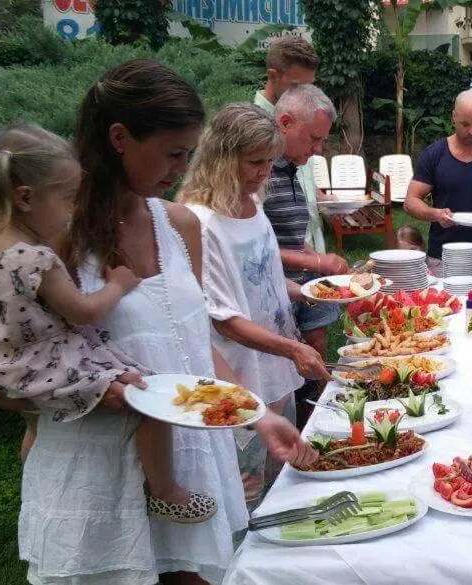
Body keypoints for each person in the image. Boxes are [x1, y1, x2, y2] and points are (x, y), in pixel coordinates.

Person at [0, 59, 317, 585]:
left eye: (188, 153)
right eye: (173, 153)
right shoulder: (44, 241)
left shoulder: (179, 225)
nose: (182, 169)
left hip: (186, 469)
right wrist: (89, 396)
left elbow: (186, 348)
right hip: (97, 476)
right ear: (119, 137)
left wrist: (252, 414)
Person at [0, 122, 218, 523]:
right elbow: (83, 312)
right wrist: (118, 284)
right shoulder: (38, 259)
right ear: (26, 197)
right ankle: (164, 492)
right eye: (68, 198)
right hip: (47, 360)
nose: (73, 209)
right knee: (147, 397)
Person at [177, 103, 330, 507]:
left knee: (283, 479)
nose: (265, 172)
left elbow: (261, 276)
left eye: (269, 161)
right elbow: (222, 318)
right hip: (239, 373)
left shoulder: (252, 204)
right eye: (255, 162)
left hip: (276, 366)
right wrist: (294, 347)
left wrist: (308, 291)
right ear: (221, 158)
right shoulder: (202, 223)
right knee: (246, 489)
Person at [265, 84, 348, 426]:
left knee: (314, 358)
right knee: (288, 370)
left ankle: (313, 427)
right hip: (276, 289)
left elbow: (289, 235)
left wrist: (315, 256)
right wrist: (315, 262)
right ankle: (295, 432)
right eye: (314, 139)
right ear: (284, 122)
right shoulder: (260, 172)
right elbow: (258, 248)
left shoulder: (290, 168)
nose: (318, 149)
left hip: (305, 285)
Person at [403, 89, 472, 276]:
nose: (471, 131)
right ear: (453, 117)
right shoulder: (434, 154)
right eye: (465, 124)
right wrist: (434, 214)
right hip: (441, 255)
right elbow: (410, 201)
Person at [253, 35, 328, 257]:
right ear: (273, 76)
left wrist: (319, 198)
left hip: (309, 248)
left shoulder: (303, 119)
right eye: (297, 87)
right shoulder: (251, 128)